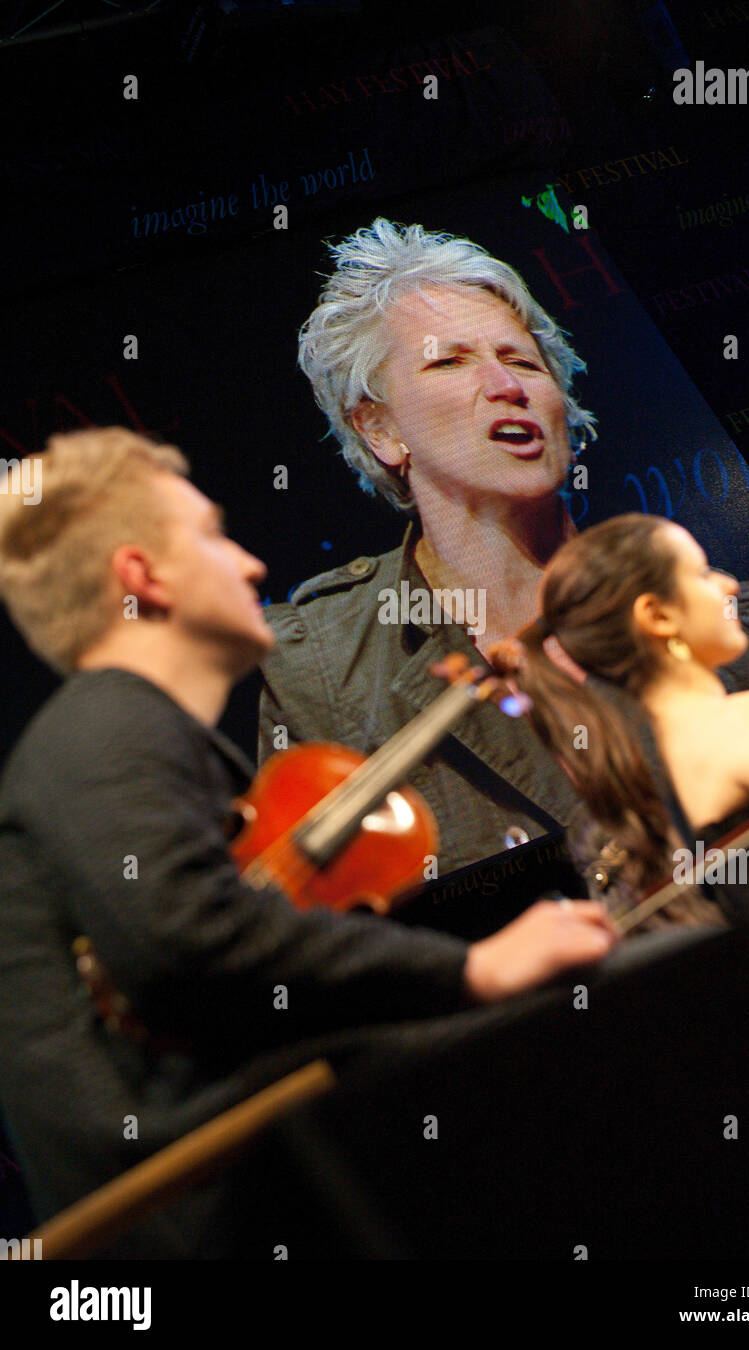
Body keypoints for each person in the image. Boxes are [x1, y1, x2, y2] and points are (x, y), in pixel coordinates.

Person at [0, 426, 621, 1257]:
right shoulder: (108, 725)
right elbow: (186, 938)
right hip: (201, 1213)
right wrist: (471, 971)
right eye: (214, 539)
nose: (253, 567)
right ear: (142, 578)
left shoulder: (137, 735)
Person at [260, 217, 749, 879]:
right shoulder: (315, 668)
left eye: (521, 360)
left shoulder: (722, 621)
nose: (507, 385)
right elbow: (312, 932)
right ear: (379, 428)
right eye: (449, 360)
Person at [487, 512, 749, 923]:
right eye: (703, 574)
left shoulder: (645, 761)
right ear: (658, 616)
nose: (730, 585)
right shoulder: (746, 720)